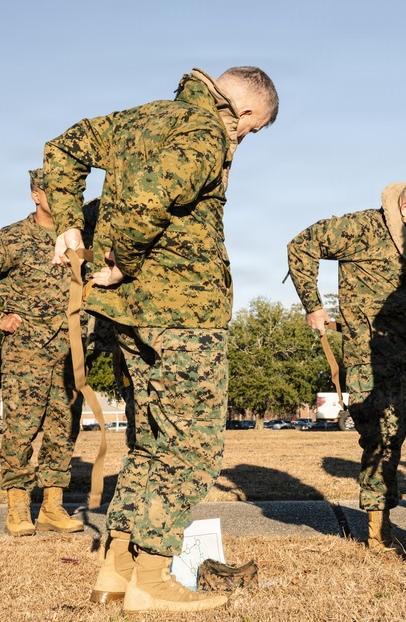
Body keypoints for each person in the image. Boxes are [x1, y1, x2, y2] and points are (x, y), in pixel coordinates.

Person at [41, 66, 278, 613]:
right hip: (183, 313)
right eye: (253, 129)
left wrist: (69, 224)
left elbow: (62, 147)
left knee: (151, 444)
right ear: (243, 112)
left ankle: (116, 572)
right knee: (192, 450)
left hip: (134, 318)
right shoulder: (204, 130)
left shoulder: (142, 117)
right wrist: (118, 259)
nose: (244, 139)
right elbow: (151, 197)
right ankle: (152, 578)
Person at [287, 178, 406, 554]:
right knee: (384, 441)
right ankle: (378, 531)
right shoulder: (362, 228)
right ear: (405, 207)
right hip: (376, 360)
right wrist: (314, 305)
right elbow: (301, 245)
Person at [0, 169, 86, 538]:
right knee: (21, 429)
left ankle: (52, 506)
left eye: (70, 193)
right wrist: (0, 317)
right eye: (56, 193)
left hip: (69, 352)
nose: (65, 200)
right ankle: (18, 506)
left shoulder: (79, 240)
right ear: (36, 195)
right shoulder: (13, 238)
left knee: (64, 430)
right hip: (26, 353)